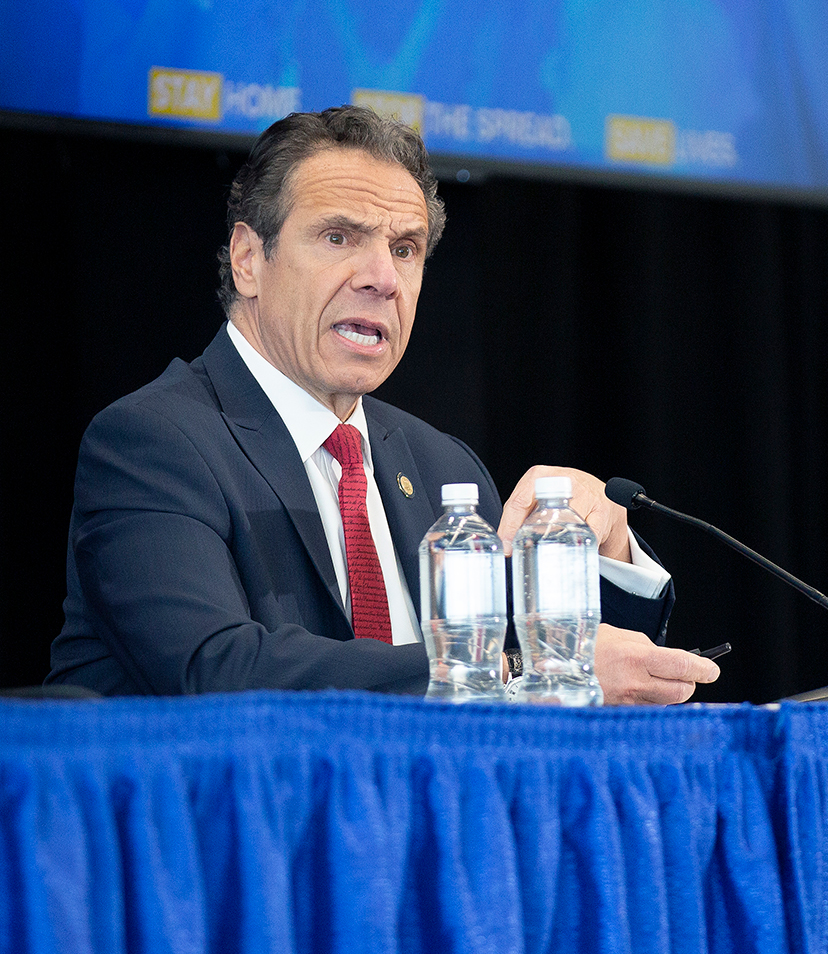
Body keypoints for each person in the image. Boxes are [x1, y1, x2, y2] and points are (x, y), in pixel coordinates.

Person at [48, 105, 721, 702]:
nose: (382, 278)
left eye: (406, 249)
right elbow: (215, 670)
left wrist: (608, 543)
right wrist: (509, 666)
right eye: (339, 237)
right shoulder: (154, 441)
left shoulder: (438, 468)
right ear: (249, 259)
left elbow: (604, 680)